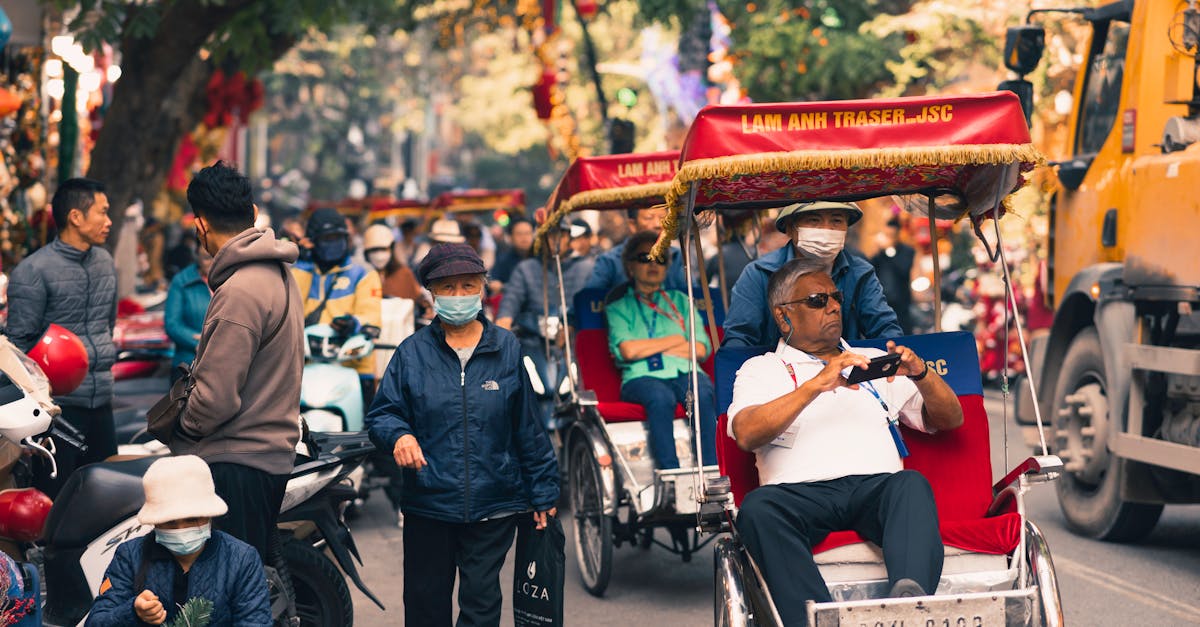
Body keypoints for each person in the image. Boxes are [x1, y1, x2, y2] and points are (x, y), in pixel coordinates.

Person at [726, 259, 963, 625]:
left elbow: (951, 419)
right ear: (784, 316)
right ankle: (814, 619)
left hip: (874, 489)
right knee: (758, 508)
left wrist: (921, 373)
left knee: (910, 484)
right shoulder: (761, 368)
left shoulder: (871, 359)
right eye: (818, 300)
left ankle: (908, 605)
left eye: (835, 297)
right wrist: (818, 384)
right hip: (797, 495)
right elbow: (746, 432)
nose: (834, 305)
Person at [365, 243, 559, 627]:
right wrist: (400, 436)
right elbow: (383, 415)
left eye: (468, 285)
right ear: (431, 294)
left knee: (482, 609)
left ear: (482, 289)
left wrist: (544, 494)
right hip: (429, 504)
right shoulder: (411, 353)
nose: (458, 296)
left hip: (495, 502)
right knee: (425, 608)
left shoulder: (506, 348)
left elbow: (529, 429)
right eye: (448, 288)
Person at [173, 161, 304, 566]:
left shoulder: (241, 291)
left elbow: (215, 400)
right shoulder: (277, 274)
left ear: (201, 226)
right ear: (252, 215)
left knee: (229, 594)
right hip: (267, 455)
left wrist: (184, 422)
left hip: (238, 462)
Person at [6, 177, 117, 498]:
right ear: (76, 217)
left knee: (105, 497)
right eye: (102, 212)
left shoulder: (106, 263)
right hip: (60, 411)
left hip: (103, 401)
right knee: (59, 499)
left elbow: (107, 325)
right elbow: (18, 347)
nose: (108, 221)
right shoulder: (33, 271)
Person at [87, 455, 270, 626]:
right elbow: (97, 620)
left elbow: (255, 621)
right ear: (155, 522)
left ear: (209, 515)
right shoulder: (130, 556)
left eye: (192, 519)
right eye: (169, 522)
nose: (181, 529)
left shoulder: (241, 559)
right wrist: (133, 611)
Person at [604, 230, 716, 470]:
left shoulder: (681, 301)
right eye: (645, 258)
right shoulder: (618, 307)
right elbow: (629, 352)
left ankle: (711, 469)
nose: (653, 264)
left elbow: (699, 349)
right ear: (630, 266)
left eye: (660, 259)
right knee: (660, 397)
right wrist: (676, 339)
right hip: (642, 378)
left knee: (703, 392)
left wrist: (650, 347)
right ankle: (670, 473)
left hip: (684, 372)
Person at [723, 201, 902, 348]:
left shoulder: (860, 273)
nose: (826, 229)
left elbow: (884, 329)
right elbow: (740, 339)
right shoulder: (759, 274)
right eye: (814, 220)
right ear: (790, 228)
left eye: (837, 221)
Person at [496, 219, 595, 426]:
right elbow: (510, 304)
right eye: (551, 235)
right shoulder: (527, 268)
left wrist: (573, 325)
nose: (556, 240)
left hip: (572, 345)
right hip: (534, 344)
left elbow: (593, 302)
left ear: (570, 237)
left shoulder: (587, 267)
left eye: (562, 234)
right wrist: (500, 332)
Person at [291, 208, 383, 404]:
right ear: (313, 241)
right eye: (327, 238)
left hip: (354, 367)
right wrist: (303, 261)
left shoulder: (364, 273)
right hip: (307, 365)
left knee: (363, 431)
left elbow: (372, 316)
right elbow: (291, 307)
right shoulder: (299, 270)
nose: (333, 243)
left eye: (337, 237)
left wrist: (353, 324)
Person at [584, 205, 689, 294]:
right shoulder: (610, 261)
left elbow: (691, 295)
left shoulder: (676, 256)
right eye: (649, 218)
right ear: (632, 225)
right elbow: (592, 301)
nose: (658, 224)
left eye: (663, 218)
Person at [163, 247, 213, 383]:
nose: (212, 262)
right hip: (189, 363)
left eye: (216, 256)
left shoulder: (230, 280)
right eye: (207, 258)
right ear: (196, 255)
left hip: (221, 362)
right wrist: (198, 342)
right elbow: (172, 324)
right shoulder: (182, 281)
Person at [870, 216, 916, 335]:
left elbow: (903, 269)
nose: (889, 238)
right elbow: (871, 266)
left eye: (891, 235)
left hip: (901, 301)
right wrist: (877, 249)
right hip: (883, 300)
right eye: (887, 235)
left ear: (898, 234)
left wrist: (889, 252)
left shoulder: (907, 251)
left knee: (904, 332)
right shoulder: (880, 253)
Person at [489, 217, 535, 292]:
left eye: (528, 233)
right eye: (519, 234)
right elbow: (493, 282)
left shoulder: (541, 258)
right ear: (510, 237)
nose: (524, 238)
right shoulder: (503, 260)